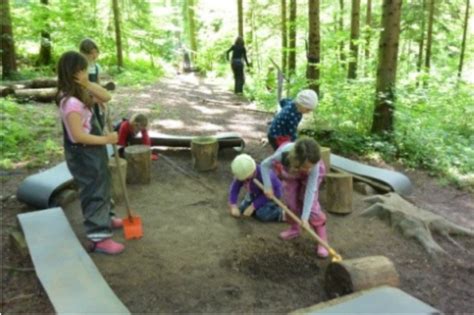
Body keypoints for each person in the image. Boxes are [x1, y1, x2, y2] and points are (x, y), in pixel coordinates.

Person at [56, 51, 124, 255]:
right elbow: (77, 136)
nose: (87, 72)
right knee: (94, 190)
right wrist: (107, 140)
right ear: (75, 72)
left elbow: (106, 96)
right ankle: (98, 237)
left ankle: (106, 218)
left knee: (102, 184)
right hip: (83, 152)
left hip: (93, 150)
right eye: (84, 70)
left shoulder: (81, 93)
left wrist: (86, 83)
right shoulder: (71, 103)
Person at [260, 137, 328, 257]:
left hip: (309, 179)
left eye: (311, 166)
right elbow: (265, 165)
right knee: (290, 202)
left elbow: (310, 191)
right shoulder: (282, 155)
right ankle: (294, 229)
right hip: (291, 173)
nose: (309, 169)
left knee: (311, 207)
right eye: (306, 167)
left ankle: (322, 241)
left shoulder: (314, 166)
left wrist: (305, 218)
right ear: (297, 160)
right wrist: (267, 186)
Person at [228, 154, 285, 222]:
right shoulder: (243, 173)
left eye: (244, 178)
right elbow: (234, 188)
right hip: (255, 193)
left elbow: (268, 195)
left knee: (262, 214)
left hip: (272, 196)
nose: (243, 180)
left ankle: (281, 214)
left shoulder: (265, 175)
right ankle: (257, 207)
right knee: (243, 208)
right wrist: (233, 205)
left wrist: (253, 206)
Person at [79, 38, 105, 129]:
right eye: (91, 53)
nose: (94, 55)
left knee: (99, 121)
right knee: (88, 123)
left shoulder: (96, 67)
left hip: (95, 98)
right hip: (85, 99)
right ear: (83, 53)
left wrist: (101, 97)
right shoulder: (81, 67)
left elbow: (98, 84)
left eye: (96, 52)